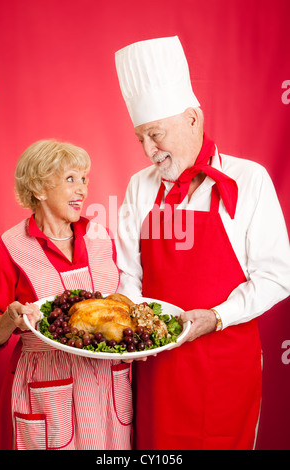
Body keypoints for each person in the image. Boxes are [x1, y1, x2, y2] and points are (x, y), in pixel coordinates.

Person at [114, 36, 290, 450]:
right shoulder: (139, 187)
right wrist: (135, 328)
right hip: (157, 368)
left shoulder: (250, 180)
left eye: (155, 134)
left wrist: (216, 316)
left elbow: (276, 276)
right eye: (140, 138)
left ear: (193, 118)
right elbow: (127, 275)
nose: (148, 150)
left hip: (227, 363)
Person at [0, 139, 132, 450]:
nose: (82, 189)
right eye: (70, 179)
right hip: (46, 386)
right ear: (38, 188)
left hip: (107, 384)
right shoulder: (7, 249)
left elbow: (122, 306)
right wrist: (10, 319)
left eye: (84, 179)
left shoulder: (101, 238)